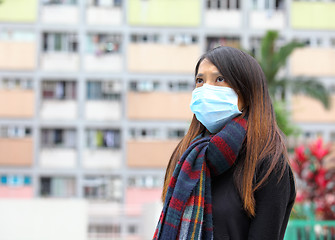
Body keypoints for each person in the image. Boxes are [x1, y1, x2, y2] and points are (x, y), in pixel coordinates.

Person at [153, 46, 296, 240]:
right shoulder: (188, 157)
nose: (206, 89)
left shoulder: (268, 164)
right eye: (200, 80)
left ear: (246, 91)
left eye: (219, 79)